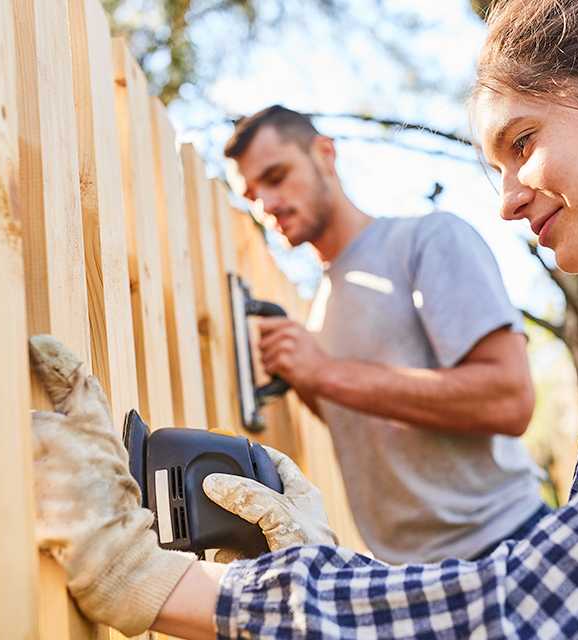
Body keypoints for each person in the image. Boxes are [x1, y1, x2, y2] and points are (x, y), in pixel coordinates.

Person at [27, 0, 578, 637]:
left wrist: (162, 584)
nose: (510, 197)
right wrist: (331, 566)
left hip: (490, 568)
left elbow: (542, 606)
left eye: (523, 142)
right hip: (434, 583)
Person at [221, 104, 547, 564]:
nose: (267, 204)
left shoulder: (428, 240)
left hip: (509, 548)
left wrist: (325, 373)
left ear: (324, 154)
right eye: (252, 196)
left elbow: (508, 399)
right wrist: (311, 378)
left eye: (276, 177)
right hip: (405, 576)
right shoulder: (319, 312)